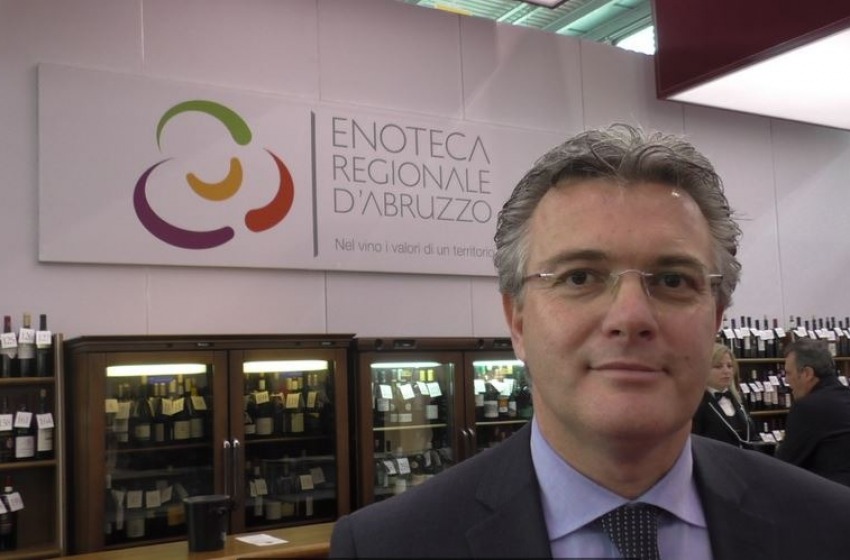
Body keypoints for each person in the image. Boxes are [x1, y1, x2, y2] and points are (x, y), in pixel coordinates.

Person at [329, 125, 850, 559]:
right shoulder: (384, 547)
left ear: (715, 317)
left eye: (673, 280)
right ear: (517, 321)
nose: (631, 316)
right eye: (580, 277)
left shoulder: (829, 526)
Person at [775, 338, 850, 486]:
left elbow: (784, 464)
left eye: (789, 373)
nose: (787, 381)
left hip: (832, 494)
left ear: (807, 373)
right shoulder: (844, 396)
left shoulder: (808, 408)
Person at [691, 342, 757, 448]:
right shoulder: (697, 404)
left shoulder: (739, 399)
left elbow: (751, 435)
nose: (726, 371)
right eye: (718, 366)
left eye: (729, 366)